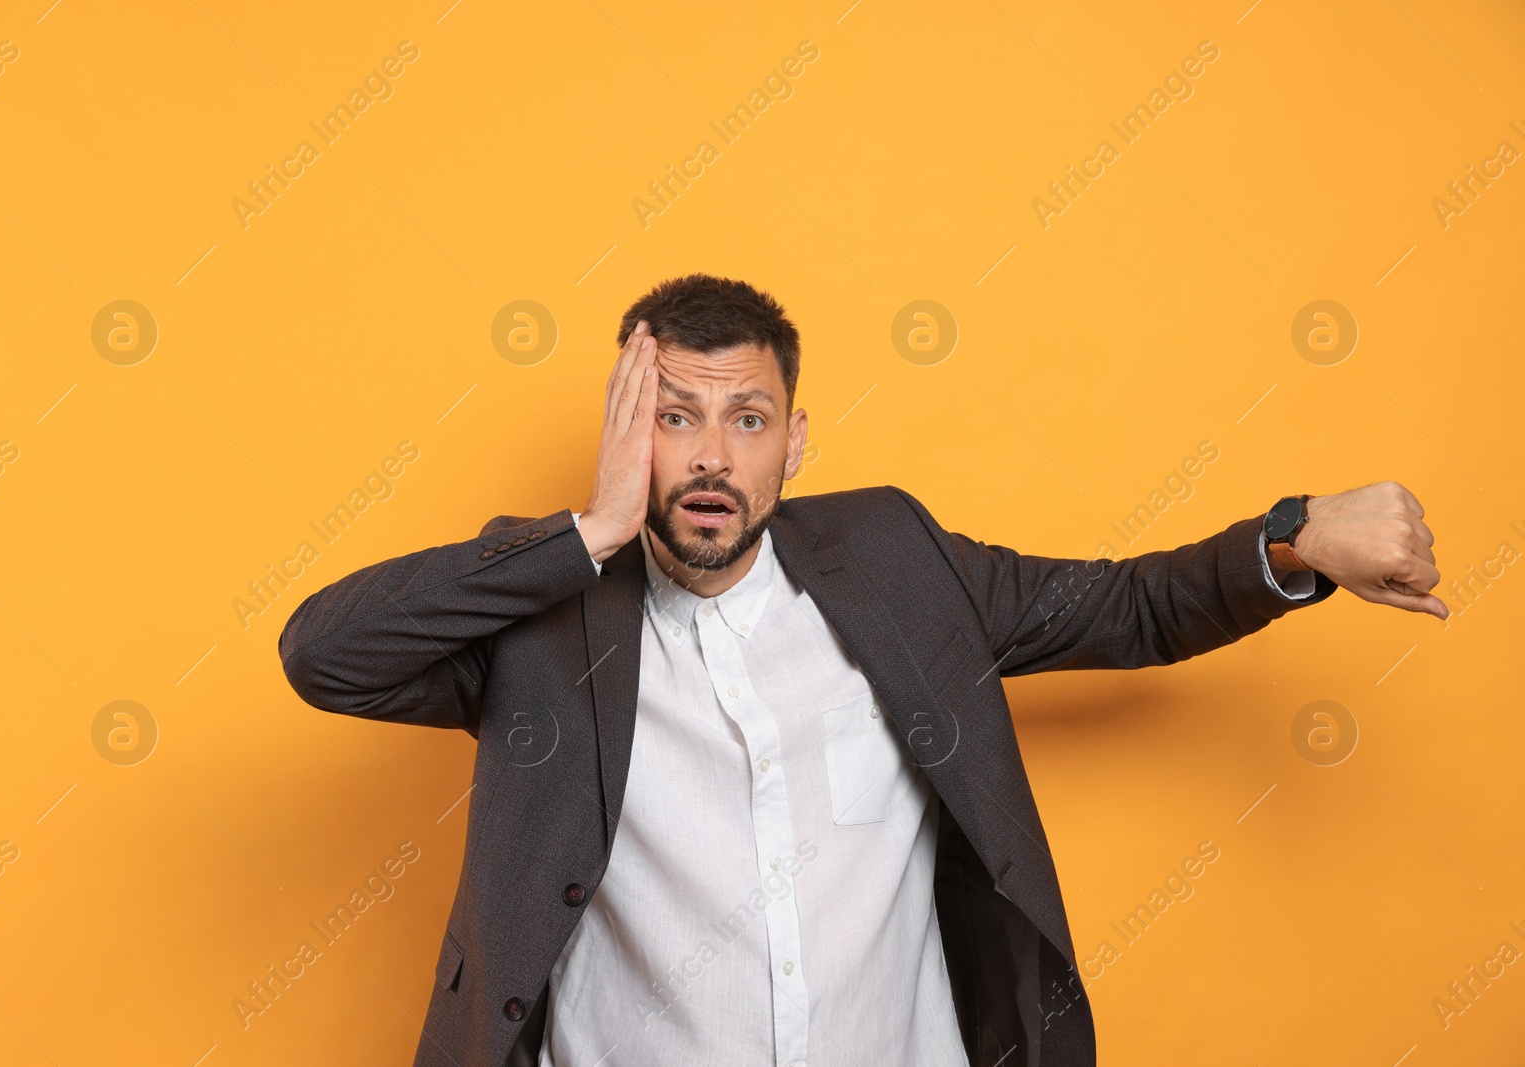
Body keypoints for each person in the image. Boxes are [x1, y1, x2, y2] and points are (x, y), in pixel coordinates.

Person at [278, 274, 1445, 1067]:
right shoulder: (543, 619)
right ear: (627, 430)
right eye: (674, 418)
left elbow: (1128, 606)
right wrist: (586, 530)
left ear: (795, 439)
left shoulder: (896, 560)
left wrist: (1294, 533)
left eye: (746, 418)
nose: (710, 457)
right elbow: (324, 652)